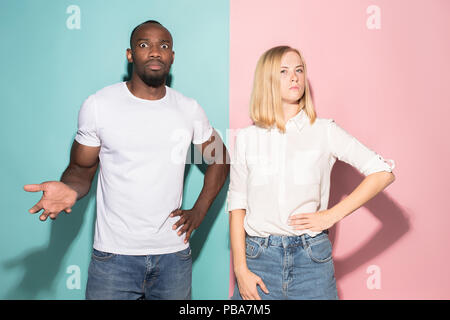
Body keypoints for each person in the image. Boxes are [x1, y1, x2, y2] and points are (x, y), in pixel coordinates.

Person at [23, 20, 230, 300]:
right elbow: (81, 170)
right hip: (113, 258)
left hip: (172, 257)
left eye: (164, 46)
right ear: (130, 54)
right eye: (144, 45)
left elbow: (221, 159)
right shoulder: (99, 106)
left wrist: (199, 211)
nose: (155, 52)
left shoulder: (188, 109)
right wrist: (69, 189)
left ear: (172, 56)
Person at [227, 46, 396, 300]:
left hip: (311, 261)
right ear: (268, 80)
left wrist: (331, 215)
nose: (294, 77)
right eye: (283, 71)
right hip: (259, 260)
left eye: (299, 70)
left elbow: (383, 172)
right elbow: (237, 203)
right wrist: (240, 270)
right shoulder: (247, 138)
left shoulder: (324, 131)